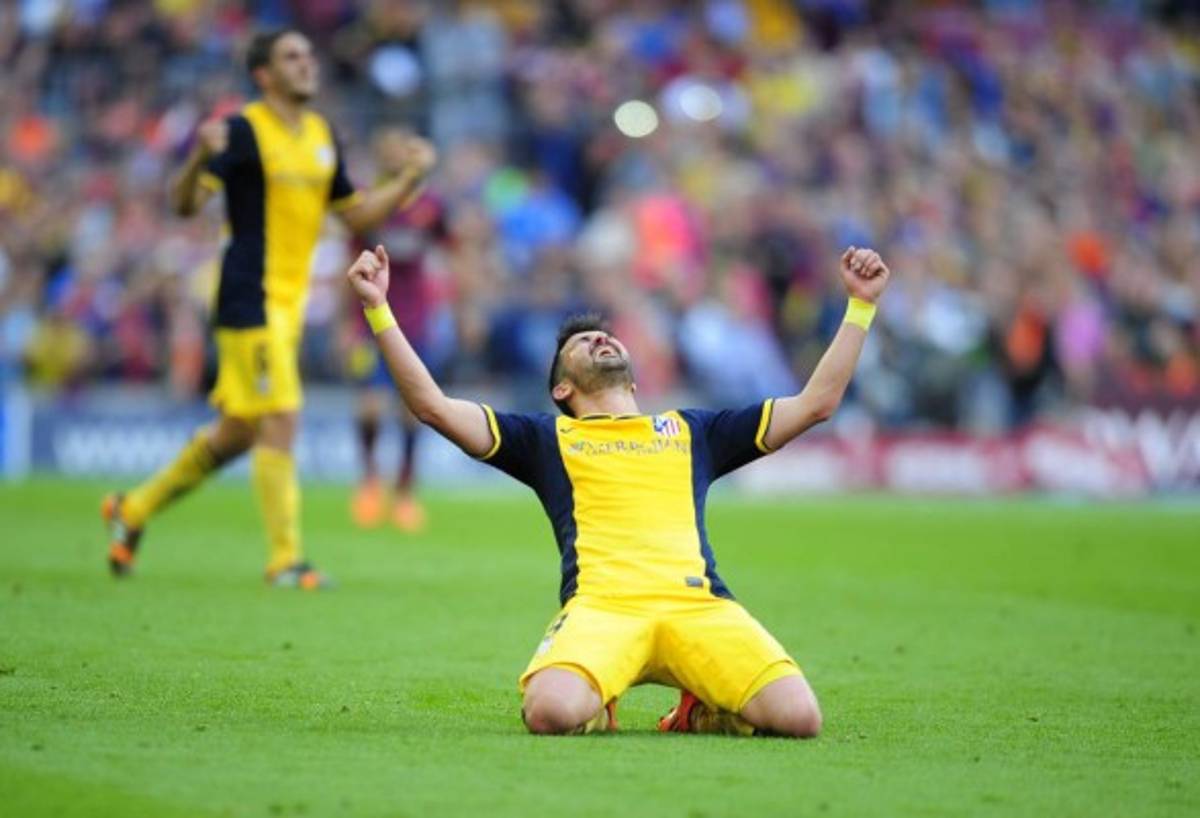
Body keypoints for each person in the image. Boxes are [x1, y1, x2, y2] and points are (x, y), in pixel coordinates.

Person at [346, 239, 892, 736]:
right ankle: (598, 696)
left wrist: (860, 306)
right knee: (549, 713)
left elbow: (816, 404)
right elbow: (431, 407)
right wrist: (378, 308)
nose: (600, 338)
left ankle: (697, 709)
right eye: (582, 343)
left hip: (697, 606)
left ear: (633, 379)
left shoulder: (692, 430)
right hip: (603, 609)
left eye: (604, 336)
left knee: (800, 720)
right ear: (562, 386)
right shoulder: (547, 438)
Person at [102, 29, 436, 588]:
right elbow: (185, 205)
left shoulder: (321, 135)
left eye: (309, 54)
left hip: (290, 302)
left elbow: (354, 216)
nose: (307, 64)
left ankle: (131, 510)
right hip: (246, 296)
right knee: (282, 413)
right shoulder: (239, 132)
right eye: (292, 57)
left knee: (239, 431)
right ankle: (286, 559)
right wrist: (195, 160)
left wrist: (409, 179)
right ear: (264, 75)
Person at [346, 129, 448, 532]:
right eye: (387, 150)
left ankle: (405, 491)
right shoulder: (367, 205)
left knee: (411, 412)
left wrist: (459, 306)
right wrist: (343, 323)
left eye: (401, 150)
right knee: (370, 406)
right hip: (367, 321)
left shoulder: (430, 207)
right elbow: (347, 260)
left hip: (415, 320)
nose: (394, 157)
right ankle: (370, 479)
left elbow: (453, 247)